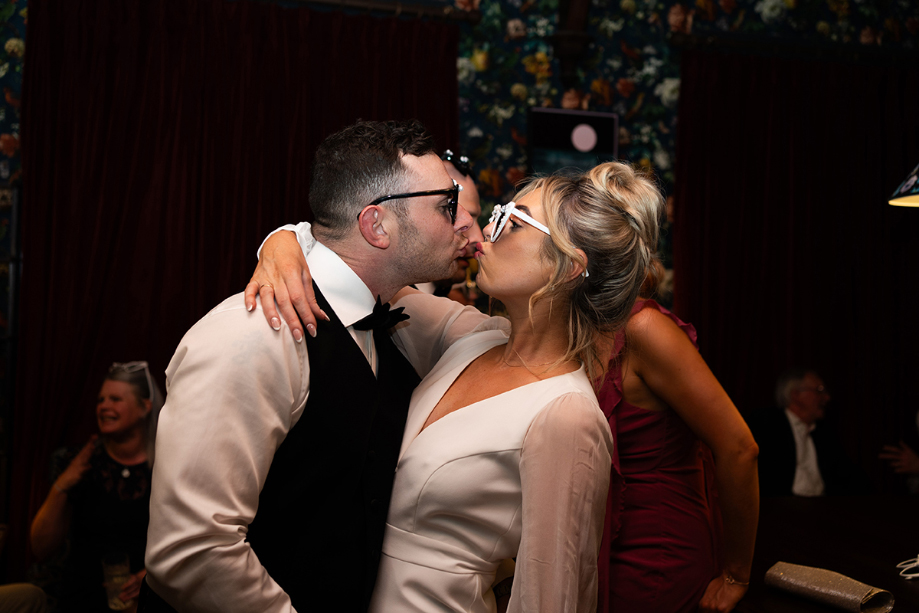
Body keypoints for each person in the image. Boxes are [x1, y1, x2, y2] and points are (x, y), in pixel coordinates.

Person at [248, 161, 663, 611]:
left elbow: (552, 594)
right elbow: (358, 272)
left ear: (567, 268)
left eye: (512, 222)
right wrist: (283, 242)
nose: (486, 233)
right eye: (497, 215)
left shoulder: (568, 415)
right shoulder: (472, 339)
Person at [143, 120, 481, 613]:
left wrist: (286, 236)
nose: (464, 221)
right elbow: (190, 550)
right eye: (446, 204)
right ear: (377, 225)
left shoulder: (396, 319)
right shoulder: (252, 335)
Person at [596, 273, 759, 613]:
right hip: (595, 552)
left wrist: (736, 576)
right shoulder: (573, 329)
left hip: (653, 560)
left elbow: (739, 449)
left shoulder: (643, 329)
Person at [29, 361, 162, 612]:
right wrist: (63, 483)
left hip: (144, 597)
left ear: (145, 407)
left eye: (115, 399)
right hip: (81, 596)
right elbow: (40, 548)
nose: (104, 406)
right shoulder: (77, 461)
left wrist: (151, 575)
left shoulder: (167, 466)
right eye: (101, 400)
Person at [748, 369, 860, 496]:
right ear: (796, 395)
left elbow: (847, 477)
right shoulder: (766, 425)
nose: (827, 397)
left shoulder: (824, 433)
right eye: (819, 390)